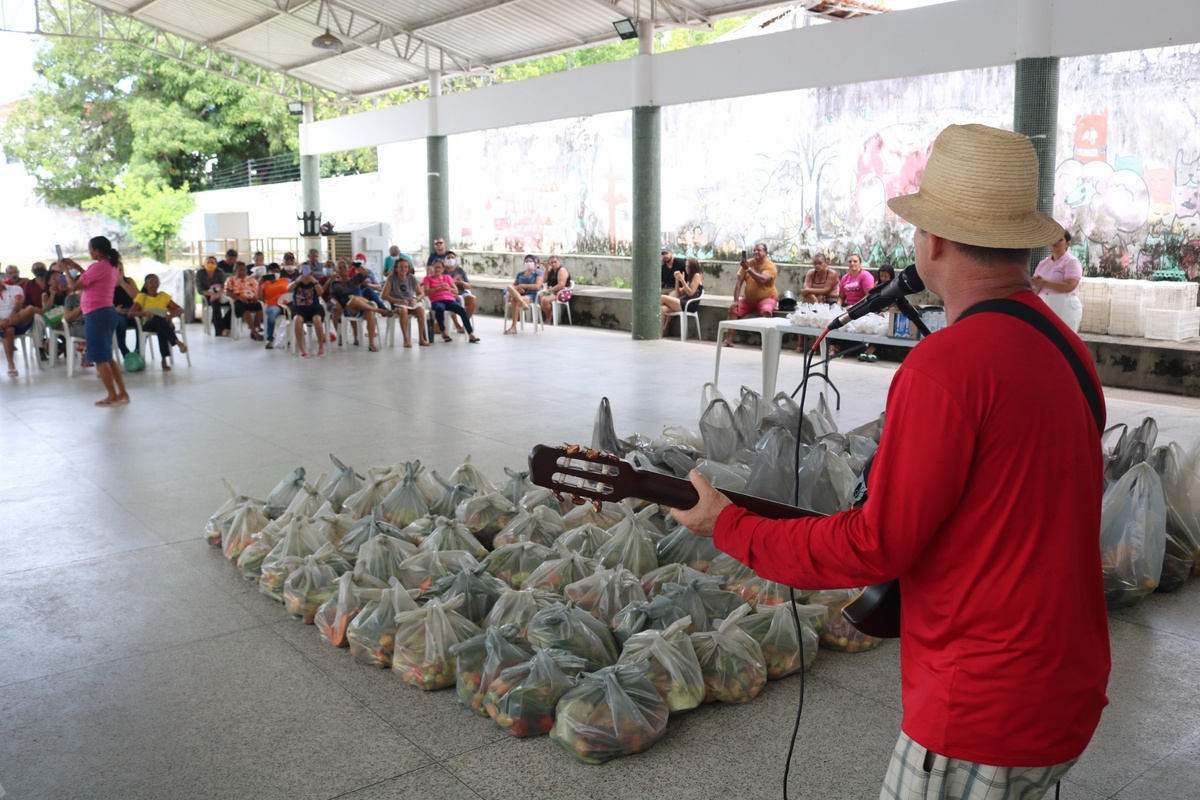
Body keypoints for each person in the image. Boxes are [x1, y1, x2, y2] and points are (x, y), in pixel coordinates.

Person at [672, 123, 1110, 800]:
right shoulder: (1065, 346)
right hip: (1065, 685)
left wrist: (728, 525)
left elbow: (879, 544)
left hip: (981, 708)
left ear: (931, 241)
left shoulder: (948, 365)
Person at [60, 236, 133, 406]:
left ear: (97, 251)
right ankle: (122, 392)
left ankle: (112, 395)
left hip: (96, 314)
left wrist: (65, 269)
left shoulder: (97, 267)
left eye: (90, 250)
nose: (89, 252)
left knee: (100, 359)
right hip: (107, 312)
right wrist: (75, 266)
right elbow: (90, 276)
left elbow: (73, 286)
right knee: (108, 357)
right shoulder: (111, 265)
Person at [721, 243, 778, 347]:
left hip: (767, 297)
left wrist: (748, 269)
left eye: (759, 250)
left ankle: (766, 342)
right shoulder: (747, 264)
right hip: (748, 299)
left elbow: (762, 280)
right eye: (754, 250)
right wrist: (735, 300)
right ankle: (729, 339)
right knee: (733, 309)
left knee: (766, 310)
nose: (756, 252)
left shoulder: (770, 266)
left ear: (765, 253)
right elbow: (738, 283)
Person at [129, 274, 188, 371]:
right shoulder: (141, 297)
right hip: (149, 324)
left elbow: (180, 309)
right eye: (151, 282)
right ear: (145, 285)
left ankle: (164, 359)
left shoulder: (163, 296)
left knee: (162, 326)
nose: (154, 284)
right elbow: (130, 314)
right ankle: (177, 342)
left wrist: (171, 315)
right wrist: (144, 313)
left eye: (156, 282)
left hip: (165, 324)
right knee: (158, 319)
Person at [327, 261, 389, 351]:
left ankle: (371, 343)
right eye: (339, 268)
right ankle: (378, 310)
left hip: (362, 307)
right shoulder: (335, 284)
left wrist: (350, 261)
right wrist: (336, 303)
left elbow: (365, 273)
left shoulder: (354, 279)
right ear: (336, 270)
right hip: (348, 309)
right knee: (354, 300)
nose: (343, 269)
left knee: (370, 313)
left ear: (348, 269)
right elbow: (332, 297)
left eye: (344, 267)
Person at [1033, 228, 1084, 332]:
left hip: (1065, 307)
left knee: (1064, 341)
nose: (1055, 242)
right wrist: (1037, 285)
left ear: (1067, 243)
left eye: (1060, 239)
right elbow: (1035, 287)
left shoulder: (1071, 261)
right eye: (1053, 239)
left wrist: (1044, 283)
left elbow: (1070, 285)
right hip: (1044, 307)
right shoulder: (1043, 263)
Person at [422, 259, 479, 343]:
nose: (437, 269)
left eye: (440, 268)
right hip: (436, 300)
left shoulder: (447, 277)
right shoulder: (428, 278)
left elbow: (456, 291)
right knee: (439, 309)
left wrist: (448, 288)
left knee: (461, 309)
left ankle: (471, 334)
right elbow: (426, 292)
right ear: (432, 268)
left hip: (449, 300)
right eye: (436, 267)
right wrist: (438, 289)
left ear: (443, 269)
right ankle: (443, 332)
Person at [381, 257, 429, 347]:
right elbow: (384, 295)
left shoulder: (412, 278)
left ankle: (421, 338)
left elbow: (421, 293)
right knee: (403, 310)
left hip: (410, 304)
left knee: (421, 310)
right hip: (396, 305)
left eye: (406, 267)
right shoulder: (391, 278)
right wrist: (399, 300)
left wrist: (416, 299)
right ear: (396, 268)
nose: (404, 269)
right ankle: (406, 339)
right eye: (401, 267)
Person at [288, 263, 327, 358]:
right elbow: (289, 289)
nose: (305, 272)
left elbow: (321, 292)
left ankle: (321, 347)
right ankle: (301, 349)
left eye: (307, 269)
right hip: (299, 309)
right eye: (303, 269)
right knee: (297, 320)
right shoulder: (296, 279)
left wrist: (313, 280)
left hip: (315, 308)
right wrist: (298, 280)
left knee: (317, 320)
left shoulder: (314, 281)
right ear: (299, 271)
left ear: (311, 271)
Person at [859, 265, 895, 362]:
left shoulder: (894, 286)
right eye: (881, 276)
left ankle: (872, 349)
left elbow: (895, 304)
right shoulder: (877, 285)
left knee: (882, 327)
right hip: (877, 312)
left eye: (885, 276)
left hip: (888, 314)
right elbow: (871, 298)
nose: (883, 279)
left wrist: (886, 312)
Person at [660, 257, 703, 335]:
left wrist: (682, 280)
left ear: (693, 267)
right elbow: (678, 293)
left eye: (688, 266)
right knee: (662, 309)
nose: (687, 268)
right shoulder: (690, 278)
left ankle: (648, 318)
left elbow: (691, 293)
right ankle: (659, 332)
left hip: (690, 304)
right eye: (686, 266)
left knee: (662, 297)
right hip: (683, 301)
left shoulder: (697, 275)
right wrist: (677, 280)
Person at [224, 262, 264, 340]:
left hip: (251, 300)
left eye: (244, 270)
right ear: (235, 270)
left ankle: (254, 330)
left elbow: (256, 290)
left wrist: (255, 297)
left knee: (262, 307)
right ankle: (254, 332)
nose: (242, 272)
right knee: (245, 309)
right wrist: (240, 298)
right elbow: (227, 292)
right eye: (240, 270)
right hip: (238, 300)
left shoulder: (251, 279)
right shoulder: (231, 279)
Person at [504, 255, 544, 334]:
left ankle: (513, 327)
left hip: (531, 295)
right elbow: (514, 286)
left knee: (514, 300)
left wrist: (523, 285)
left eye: (531, 261)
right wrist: (518, 289)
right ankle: (522, 302)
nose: (528, 263)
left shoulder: (538, 273)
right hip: (520, 294)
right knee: (509, 287)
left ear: (535, 263)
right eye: (526, 261)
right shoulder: (520, 274)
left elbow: (537, 286)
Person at [258, 264, 291, 349]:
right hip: (273, 305)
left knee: (296, 312)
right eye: (272, 271)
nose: (274, 273)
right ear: (268, 273)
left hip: (286, 305)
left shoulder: (286, 280)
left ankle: (290, 337)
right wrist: (259, 284)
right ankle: (270, 339)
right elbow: (259, 298)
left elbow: (293, 291)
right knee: (272, 313)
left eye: (277, 271)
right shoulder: (265, 283)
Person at [196, 256, 230, 336]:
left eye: (212, 262)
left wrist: (217, 294)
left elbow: (224, 285)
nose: (210, 264)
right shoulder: (200, 273)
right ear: (204, 264)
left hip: (221, 294)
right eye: (208, 262)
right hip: (208, 295)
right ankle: (220, 330)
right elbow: (200, 290)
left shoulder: (220, 272)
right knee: (215, 303)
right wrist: (212, 294)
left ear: (216, 264)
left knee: (235, 304)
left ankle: (225, 324)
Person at [443, 251, 477, 331]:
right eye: (448, 258)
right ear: (444, 260)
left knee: (472, 299)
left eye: (452, 257)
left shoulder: (460, 270)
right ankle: (457, 325)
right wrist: (453, 281)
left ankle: (465, 324)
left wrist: (462, 283)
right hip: (448, 294)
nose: (451, 259)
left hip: (462, 293)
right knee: (452, 302)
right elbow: (440, 284)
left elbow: (468, 285)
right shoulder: (442, 271)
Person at [0, 280, 27, 376]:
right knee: (9, 330)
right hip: (2, 324)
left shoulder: (15, 288)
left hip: (16, 320)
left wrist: (14, 312)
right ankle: (11, 365)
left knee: (30, 309)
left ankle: (5, 325)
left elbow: (18, 302)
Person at [539, 255, 571, 323]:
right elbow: (544, 281)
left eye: (555, 262)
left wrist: (549, 290)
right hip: (551, 290)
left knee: (544, 300)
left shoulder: (562, 270)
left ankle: (549, 317)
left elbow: (561, 285)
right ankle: (549, 314)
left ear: (559, 261)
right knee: (540, 296)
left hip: (561, 291)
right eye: (551, 262)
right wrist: (547, 269)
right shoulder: (551, 270)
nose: (553, 264)